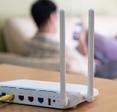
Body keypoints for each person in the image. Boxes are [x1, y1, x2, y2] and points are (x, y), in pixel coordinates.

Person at [27, 0, 88, 75]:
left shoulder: (27, 45)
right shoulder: (61, 48)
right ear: (52, 17)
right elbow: (89, 67)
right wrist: (82, 42)